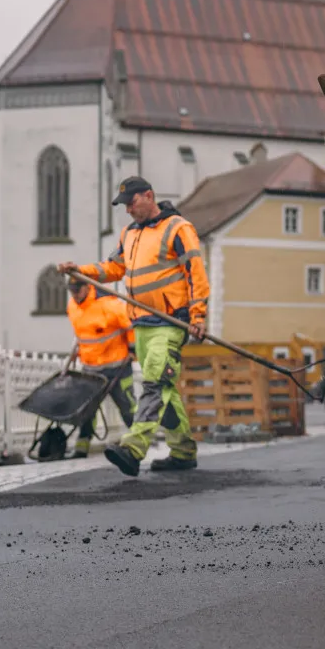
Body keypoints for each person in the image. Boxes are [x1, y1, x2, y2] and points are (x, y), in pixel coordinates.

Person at [58, 176, 209, 477]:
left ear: (149, 196)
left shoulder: (178, 228)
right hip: (141, 322)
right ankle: (183, 452)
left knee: (154, 382)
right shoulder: (129, 234)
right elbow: (113, 268)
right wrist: (81, 271)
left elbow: (195, 272)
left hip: (170, 321)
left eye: (131, 203)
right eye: (124, 205)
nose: (127, 210)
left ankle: (133, 448)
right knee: (165, 387)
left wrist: (198, 316)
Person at [62, 278, 137, 457]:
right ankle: (82, 446)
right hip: (91, 369)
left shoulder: (109, 304)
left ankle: (139, 442)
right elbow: (81, 334)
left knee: (127, 406)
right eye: (71, 290)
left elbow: (130, 326)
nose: (74, 294)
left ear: (88, 287)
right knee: (87, 409)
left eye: (77, 290)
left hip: (117, 365)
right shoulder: (72, 306)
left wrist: (133, 349)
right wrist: (76, 352)